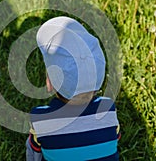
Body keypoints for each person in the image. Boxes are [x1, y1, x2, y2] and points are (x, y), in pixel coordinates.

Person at [26, 16, 120, 161]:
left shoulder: (41, 119)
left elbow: (35, 152)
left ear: (49, 83)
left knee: (33, 145)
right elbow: (115, 137)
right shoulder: (108, 109)